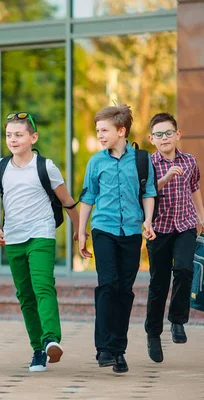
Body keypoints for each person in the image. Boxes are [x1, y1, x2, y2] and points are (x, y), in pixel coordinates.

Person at [0, 112, 79, 373]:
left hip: (41, 233)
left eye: (19, 135)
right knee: (25, 295)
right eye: (9, 135)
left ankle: (51, 339)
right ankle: (37, 349)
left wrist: (80, 230)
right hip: (13, 238)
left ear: (33, 137)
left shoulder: (46, 166)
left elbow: (67, 200)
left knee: (42, 286)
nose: (13, 140)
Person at [78, 104, 157, 373]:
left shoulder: (142, 160)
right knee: (108, 284)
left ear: (121, 131)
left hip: (133, 232)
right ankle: (103, 348)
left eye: (104, 130)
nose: (100, 135)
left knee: (124, 290)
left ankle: (118, 350)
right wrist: (81, 232)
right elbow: (88, 197)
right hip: (104, 230)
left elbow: (148, 192)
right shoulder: (95, 161)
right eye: (97, 130)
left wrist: (148, 220)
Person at [144, 112, 204, 363]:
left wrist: (201, 217)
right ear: (151, 138)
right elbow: (145, 192)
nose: (164, 137)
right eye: (159, 134)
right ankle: (153, 334)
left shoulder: (190, 161)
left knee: (183, 269)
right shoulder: (147, 163)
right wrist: (166, 177)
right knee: (158, 283)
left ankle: (177, 321)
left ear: (177, 134)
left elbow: (194, 188)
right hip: (159, 230)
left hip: (186, 226)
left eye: (169, 132)